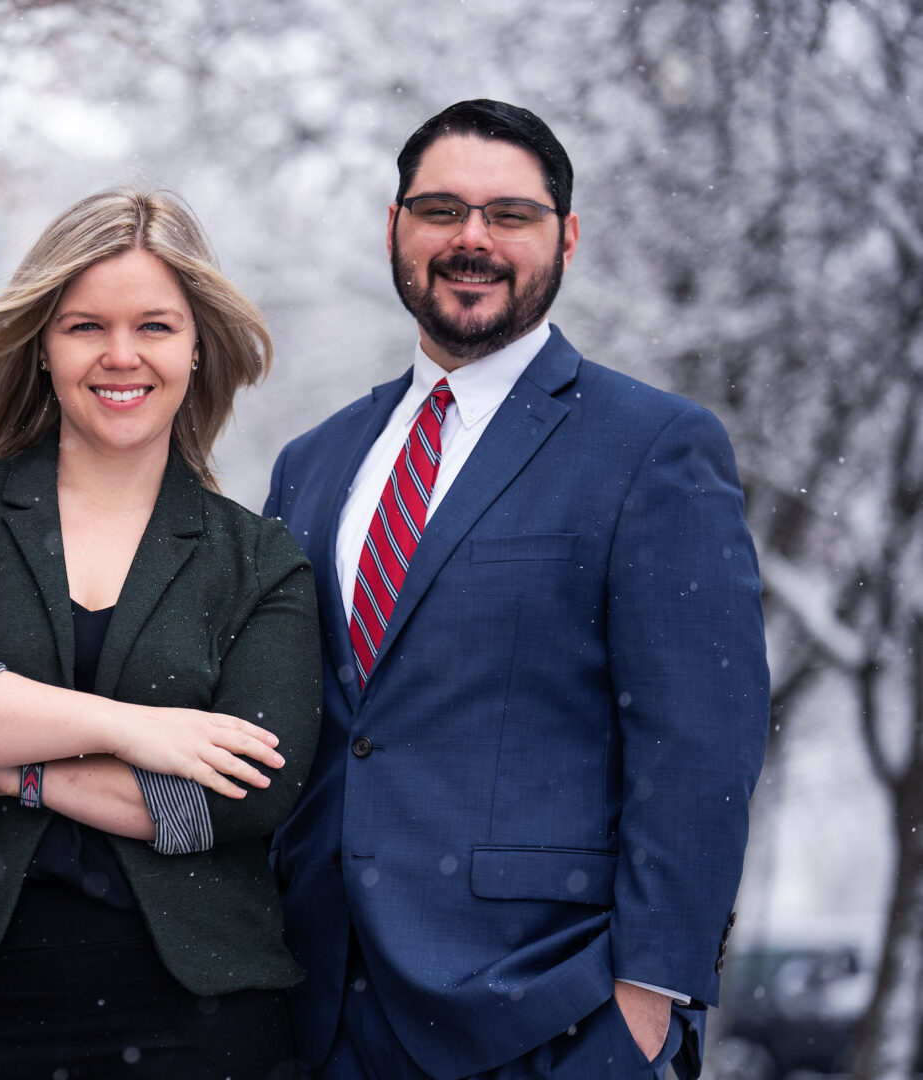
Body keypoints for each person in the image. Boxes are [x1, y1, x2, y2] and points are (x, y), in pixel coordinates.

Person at [264, 100, 770, 1080]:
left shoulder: (653, 448)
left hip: (552, 1015)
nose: (472, 240)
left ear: (567, 237)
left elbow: (702, 738)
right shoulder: (313, 462)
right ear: (395, 228)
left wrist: (647, 1005)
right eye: (441, 209)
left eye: (511, 215)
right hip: (317, 1010)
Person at [0, 187, 322, 1078]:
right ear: (44, 345)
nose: (120, 355)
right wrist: (135, 729)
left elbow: (248, 789)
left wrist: (10, 762)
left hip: (198, 1007)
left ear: (197, 345)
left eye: (155, 326)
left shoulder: (259, 559)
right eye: (84, 326)